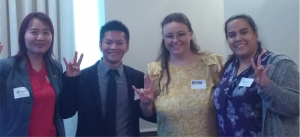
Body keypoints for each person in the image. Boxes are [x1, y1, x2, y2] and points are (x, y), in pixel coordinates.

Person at [58, 20, 156, 136]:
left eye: (119, 43)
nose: (114, 47)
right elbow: (65, 113)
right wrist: (70, 81)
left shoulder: (137, 78)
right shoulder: (82, 77)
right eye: (108, 42)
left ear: (127, 47)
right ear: (100, 45)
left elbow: (147, 115)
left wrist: (147, 104)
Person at [133, 13, 222, 136]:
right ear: (164, 38)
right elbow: (148, 113)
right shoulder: (156, 71)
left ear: (190, 34)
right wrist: (146, 104)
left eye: (181, 34)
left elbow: (227, 103)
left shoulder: (212, 65)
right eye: (169, 36)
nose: (175, 40)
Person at [214, 14, 299, 137]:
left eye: (244, 32)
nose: (238, 38)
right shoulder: (230, 66)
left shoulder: (280, 65)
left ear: (255, 34)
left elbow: (297, 105)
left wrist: (267, 87)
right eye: (232, 35)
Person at [0, 12, 65, 136]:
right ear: (23, 36)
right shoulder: (6, 67)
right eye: (34, 32)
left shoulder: (55, 68)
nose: (40, 37)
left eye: (46, 32)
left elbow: (61, 110)